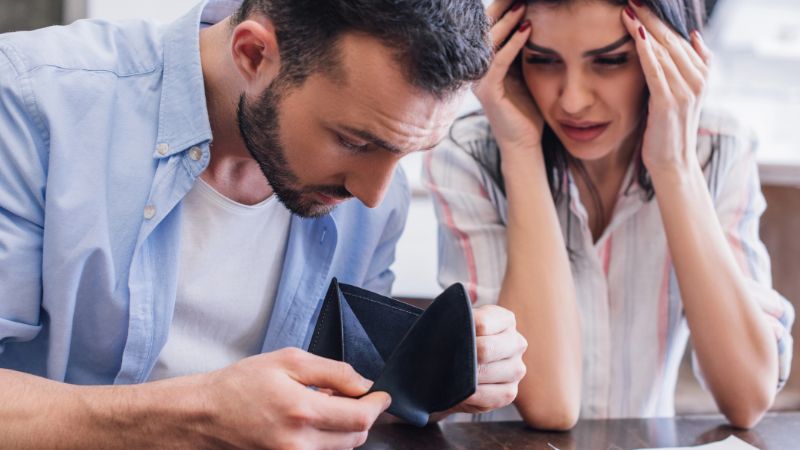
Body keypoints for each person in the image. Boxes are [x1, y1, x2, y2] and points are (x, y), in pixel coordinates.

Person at [0, 0, 529, 447]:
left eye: (410, 151)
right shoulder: (30, 104)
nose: (373, 195)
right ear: (254, 54)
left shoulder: (370, 184)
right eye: (354, 141)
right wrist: (197, 413)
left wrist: (439, 379)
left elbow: (342, 402)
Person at [425, 0, 795, 430]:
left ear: (669, 53)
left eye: (611, 60)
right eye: (542, 61)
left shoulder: (718, 150)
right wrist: (520, 149)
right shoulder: (471, 154)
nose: (573, 100)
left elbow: (747, 397)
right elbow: (549, 405)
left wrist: (674, 164)